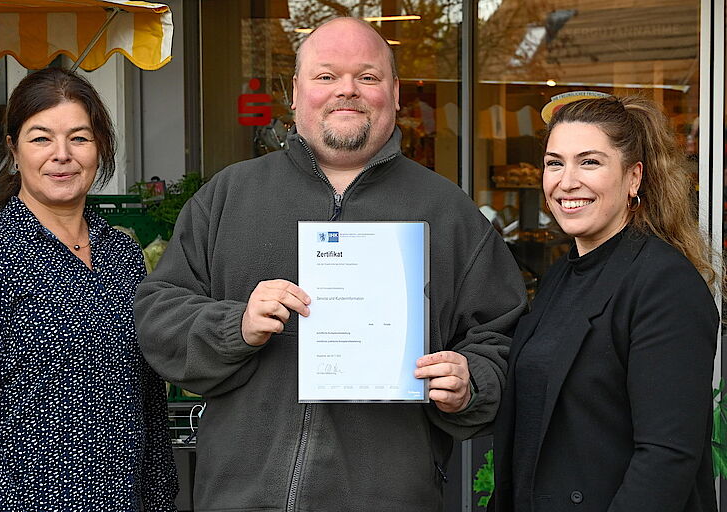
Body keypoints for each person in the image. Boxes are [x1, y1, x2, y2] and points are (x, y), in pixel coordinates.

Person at [134, 16, 526, 512]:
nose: (347, 90)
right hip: (240, 497)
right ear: (295, 93)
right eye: (326, 76)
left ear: (395, 93)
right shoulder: (229, 196)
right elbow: (158, 316)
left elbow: (505, 341)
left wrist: (471, 381)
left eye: (367, 76)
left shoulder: (449, 213)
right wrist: (237, 326)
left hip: (389, 500)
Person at [0, 67, 178, 510]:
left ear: (100, 148)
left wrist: (159, 498)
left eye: (79, 138)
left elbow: (148, 394)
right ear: (13, 151)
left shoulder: (121, 253)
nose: (62, 155)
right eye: (41, 138)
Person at [493, 95, 719, 512]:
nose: (567, 181)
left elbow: (666, 459)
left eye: (590, 162)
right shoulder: (561, 275)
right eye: (555, 163)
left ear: (633, 177)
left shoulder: (664, 284)